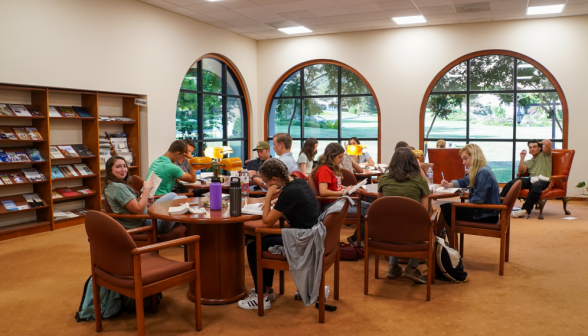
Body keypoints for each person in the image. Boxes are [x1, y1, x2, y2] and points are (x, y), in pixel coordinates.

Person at [238, 159, 319, 310]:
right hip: (310, 236)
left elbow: (266, 223)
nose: (266, 185)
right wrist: (274, 204)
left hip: (302, 241)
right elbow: (291, 204)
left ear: (274, 180)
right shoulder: (298, 182)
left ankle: (261, 298)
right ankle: (267, 290)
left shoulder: (289, 192)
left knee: (253, 247)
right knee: (265, 240)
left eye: (266, 182)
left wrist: (269, 196)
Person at [377, 147, 430, 284]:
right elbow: (423, 213)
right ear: (413, 162)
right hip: (412, 235)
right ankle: (412, 268)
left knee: (394, 220)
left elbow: (379, 207)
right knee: (425, 224)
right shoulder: (420, 181)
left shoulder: (384, 179)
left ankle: (392, 267)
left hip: (385, 234)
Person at [103, 156, 185, 233]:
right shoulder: (119, 188)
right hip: (146, 222)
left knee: (172, 195)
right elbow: (139, 209)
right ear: (110, 170)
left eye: (124, 166)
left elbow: (132, 206)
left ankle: (181, 224)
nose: (123, 169)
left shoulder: (111, 185)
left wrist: (147, 202)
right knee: (183, 198)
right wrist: (146, 189)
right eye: (118, 167)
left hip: (145, 216)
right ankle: (188, 230)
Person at [312, 143, 370, 245]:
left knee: (373, 208)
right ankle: (357, 239)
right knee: (373, 212)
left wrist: (346, 188)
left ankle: (357, 239)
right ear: (331, 156)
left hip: (338, 201)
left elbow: (334, 186)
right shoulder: (324, 170)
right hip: (332, 205)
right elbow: (323, 191)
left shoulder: (330, 168)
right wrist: (344, 192)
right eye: (339, 157)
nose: (341, 160)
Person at [439, 144, 501, 236]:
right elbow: (464, 181)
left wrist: (465, 204)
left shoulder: (483, 172)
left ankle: (437, 238)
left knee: (447, 209)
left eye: (465, 158)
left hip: (485, 215)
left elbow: (479, 199)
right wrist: (450, 184)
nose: (463, 163)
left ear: (474, 157)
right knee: (447, 209)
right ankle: (438, 237)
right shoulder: (481, 169)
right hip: (485, 212)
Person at [502, 139, 552, 219]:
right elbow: (521, 171)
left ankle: (525, 210)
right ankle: (499, 204)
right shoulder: (529, 161)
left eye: (534, 147)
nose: (532, 149)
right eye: (530, 147)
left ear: (539, 148)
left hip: (544, 180)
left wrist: (539, 143)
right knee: (515, 182)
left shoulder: (545, 155)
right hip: (532, 179)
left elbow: (548, 142)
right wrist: (522, 158)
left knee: (536, 186)